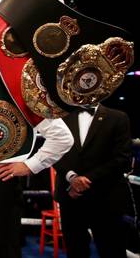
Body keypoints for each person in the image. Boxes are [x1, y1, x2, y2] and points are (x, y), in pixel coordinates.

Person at [0, 117, 73, 258]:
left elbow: (63, 137)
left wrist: (30, 165)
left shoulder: (21, 95)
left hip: (3, 179)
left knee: (8, 249)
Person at [54, 104, 132, 257]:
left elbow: (123, 159)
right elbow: (52, 153)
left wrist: (87, 179)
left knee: (112, 249)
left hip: (106, 197)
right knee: (75, 250)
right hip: (70, 196)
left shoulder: (118, 117)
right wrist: (72, 177)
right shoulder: (59, 117)